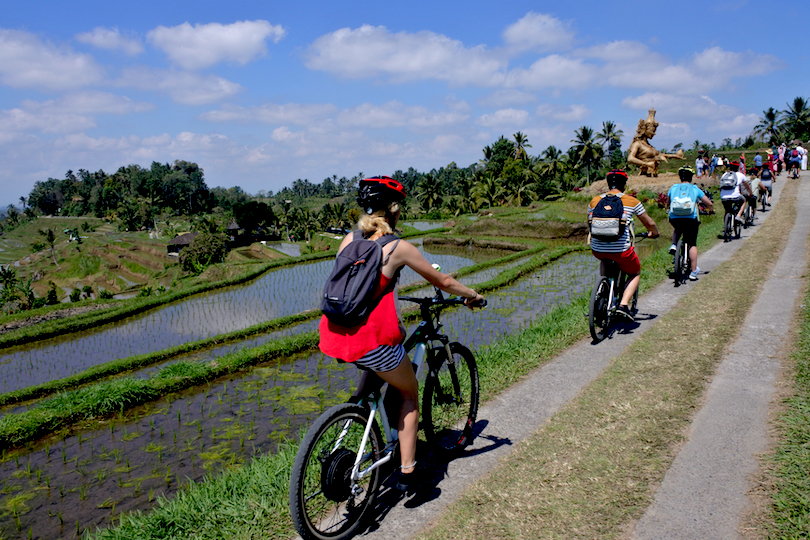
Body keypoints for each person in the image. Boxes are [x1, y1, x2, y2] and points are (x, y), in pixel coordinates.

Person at [318, 176, 484, 491]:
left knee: (381, 369)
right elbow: (443, 282)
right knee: (409, 392)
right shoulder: (397, 247)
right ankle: (409, 474)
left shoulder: (348, 240)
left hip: (334, 333)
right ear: (393, 210)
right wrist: (471, 295)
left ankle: (361, 407)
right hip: (373, 341)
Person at [588, 169, 660, 320]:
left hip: (597, 248)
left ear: (608, 184)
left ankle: (604, 288)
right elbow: (650, 223)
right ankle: (623, 305)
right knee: (635, 272)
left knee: (605, 257)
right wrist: (654, 232)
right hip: (621, 250)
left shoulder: (595, 200)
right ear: (624, 185)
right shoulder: (632, 201)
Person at [667, 166, 714, 281]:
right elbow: (708, 202)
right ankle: (693, 272)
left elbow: (668, 202)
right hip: (690, 218)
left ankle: (674, 244)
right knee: (692, 243)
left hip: (675, 217)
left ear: (680, 177)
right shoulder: (695, 189)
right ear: (691, 177)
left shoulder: (673, 188)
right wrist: (711, 209)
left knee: (677, 229)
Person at [626, 108, 684, 176]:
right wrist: (646, 164)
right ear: (645, 130)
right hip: (645, 174)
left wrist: (673, 156)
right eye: (653, 131)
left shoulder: (649, 146)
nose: (654, 134)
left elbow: (658, 156)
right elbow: (630, 158)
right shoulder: (637, 144)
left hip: (654, 173)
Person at [719, 161, 750, 229]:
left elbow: (720, 187)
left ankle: (726, 227)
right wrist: (750, 193)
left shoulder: (724, 175)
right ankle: (738, 216)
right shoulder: (740, 175)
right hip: (736, 196)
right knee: (744, 200)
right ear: (738, 167)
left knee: (727, 210)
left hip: (723, 196)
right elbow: (747, 186)